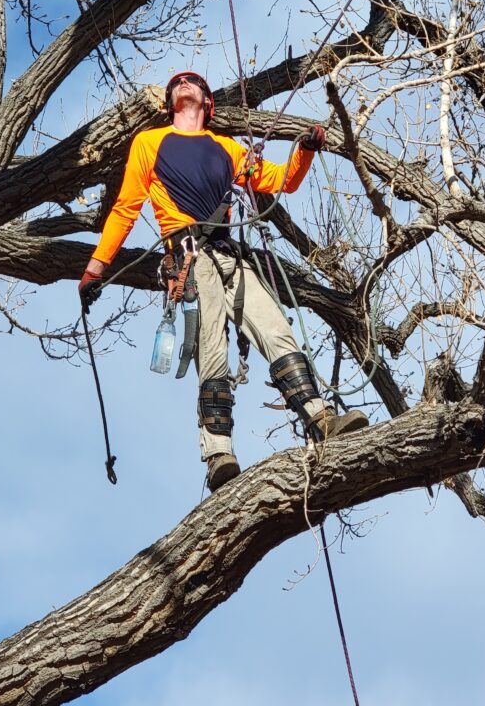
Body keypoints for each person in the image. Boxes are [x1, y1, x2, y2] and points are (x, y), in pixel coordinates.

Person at [79, 71, 368, 491]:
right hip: (189, 259)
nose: (183, 83)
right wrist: (96, 268)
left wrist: (304, 150)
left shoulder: (228, 149)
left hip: (232, 257)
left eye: (192, 81)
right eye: (176, 83)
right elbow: (125, 208)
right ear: (169, 102)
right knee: (212, 352)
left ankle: (321, 419)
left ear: (207, 101)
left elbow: (282, 181)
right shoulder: (149, 143)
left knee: (277, 331)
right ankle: (218, 453)